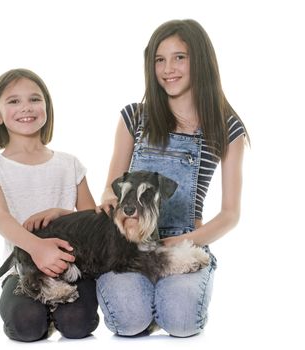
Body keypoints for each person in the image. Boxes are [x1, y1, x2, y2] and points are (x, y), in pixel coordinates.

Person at [97, 19, 249, 337]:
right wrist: (113, 208)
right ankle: (147, 299)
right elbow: (111, 192)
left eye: (180, 57)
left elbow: (231, 214)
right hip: (130, 241)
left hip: (184, 241)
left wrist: (177, 243)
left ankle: (166, 299)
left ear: (201, 60)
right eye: (159, 60)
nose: (169, 69)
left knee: (181, 322)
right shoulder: (134, 117)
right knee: (128, 321)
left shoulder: (226, 127)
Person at [0, 68, 99, 341]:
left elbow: (92, 219)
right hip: (23, 270)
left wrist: (60, 213)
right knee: (26, 325)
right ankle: (41, 314)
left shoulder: (70, 164)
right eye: (13, 101)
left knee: (78, 325)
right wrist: (37, 247)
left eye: (34, 99)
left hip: (72, 268)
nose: (26, 108)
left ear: (47, 107)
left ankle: (56, 313)